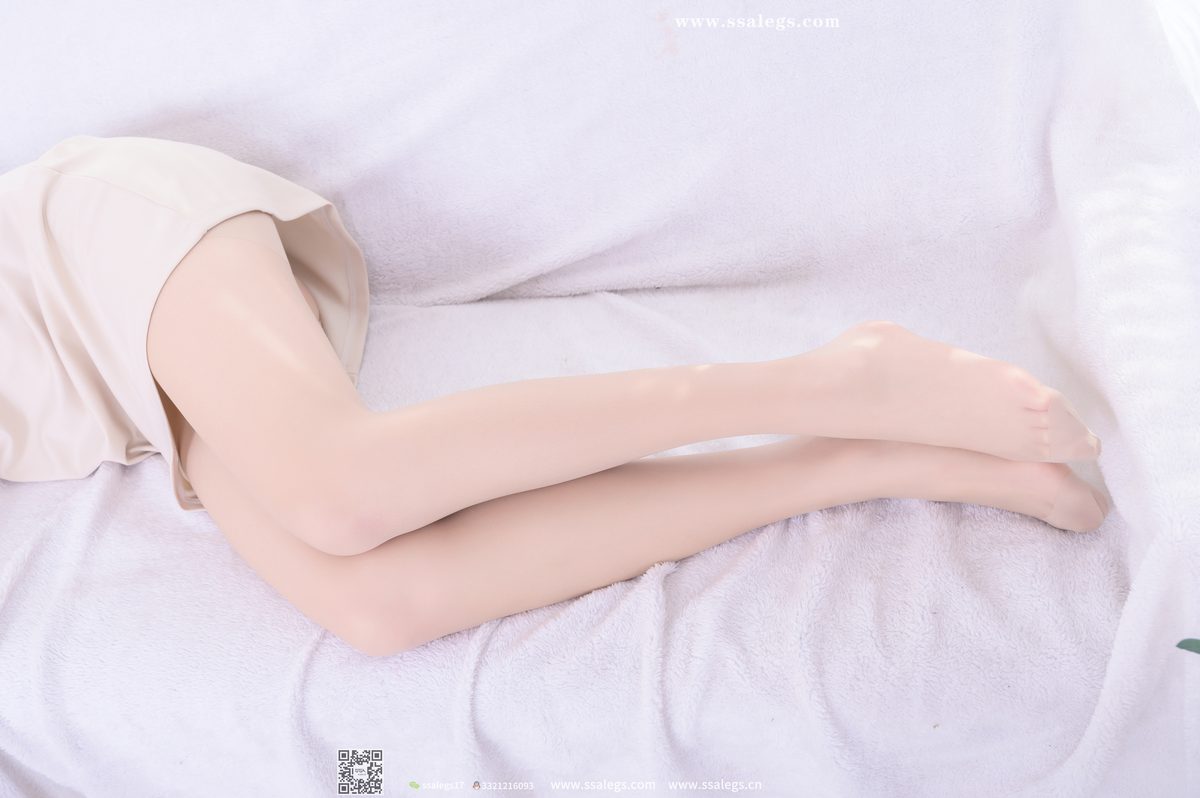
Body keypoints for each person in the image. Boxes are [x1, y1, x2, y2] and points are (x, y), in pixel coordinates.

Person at [4, 136, 1110, 659]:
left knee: (337, 493)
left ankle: (828, 384)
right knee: (382, 605)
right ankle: (866, 460)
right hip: (126, 389)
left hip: (86, 252)